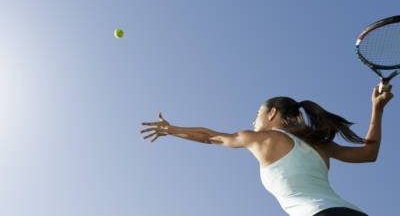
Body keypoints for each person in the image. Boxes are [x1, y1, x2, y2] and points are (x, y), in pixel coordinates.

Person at [140, 84, 393, 216]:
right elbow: (368, 154)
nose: (254, 121)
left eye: (257, 114)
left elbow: (209, 137)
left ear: (272, 113)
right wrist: (377, 109)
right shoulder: (319, 144)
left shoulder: (262, 138)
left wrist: (172, 129)